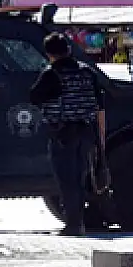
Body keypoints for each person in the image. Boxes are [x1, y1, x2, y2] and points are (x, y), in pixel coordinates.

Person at [29, 32, 106, 237]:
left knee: (67, 180)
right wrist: (100, 139)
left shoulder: (51, 74)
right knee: (81, 178)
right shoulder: (87, 72)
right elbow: (99, 104)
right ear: (68, 49)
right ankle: (81, 220)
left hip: (63, 133)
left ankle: (74, 224)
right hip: (87, 131)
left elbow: (34, 97)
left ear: (49, 54)